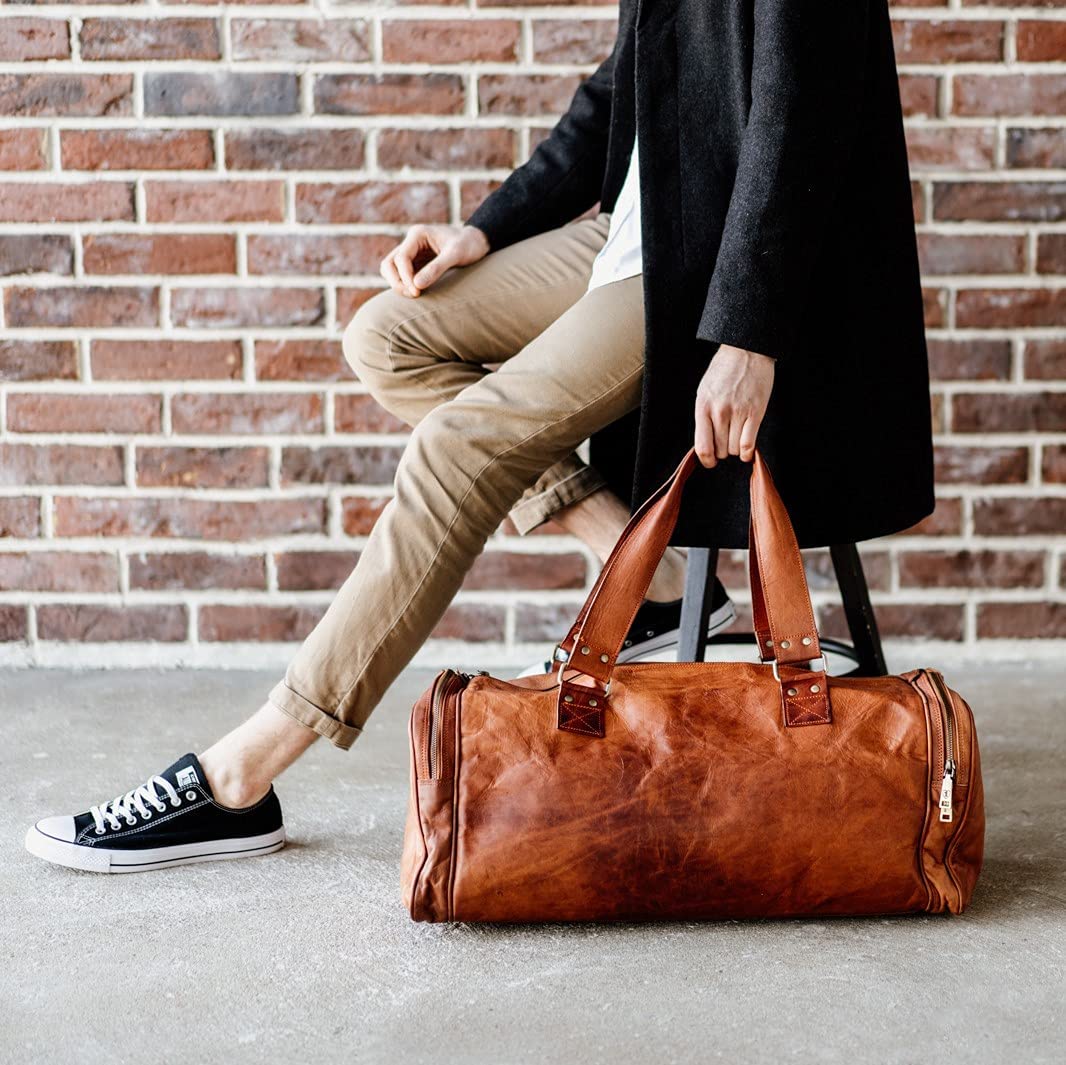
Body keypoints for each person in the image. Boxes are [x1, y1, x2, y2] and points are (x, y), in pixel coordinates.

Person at [25, 0, 932, 873]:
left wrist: (750, 334)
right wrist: (486, 227)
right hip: (635, 235)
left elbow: (799, 111)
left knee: (455, 445)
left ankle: (241, 774)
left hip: (709, 276)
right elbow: (624, 86)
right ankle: (644, 579)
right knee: (386, 333)